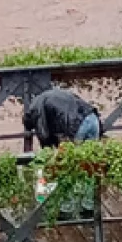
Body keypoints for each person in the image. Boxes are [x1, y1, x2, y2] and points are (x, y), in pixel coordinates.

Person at [23, 89, 103, 219]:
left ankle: (66, 209)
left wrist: (47, 157)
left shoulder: (36, 110)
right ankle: (88, 207)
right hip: (92, 119)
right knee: (89, 165)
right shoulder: (54, 95)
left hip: (76, 127)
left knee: (67, 166)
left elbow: (44, 134)